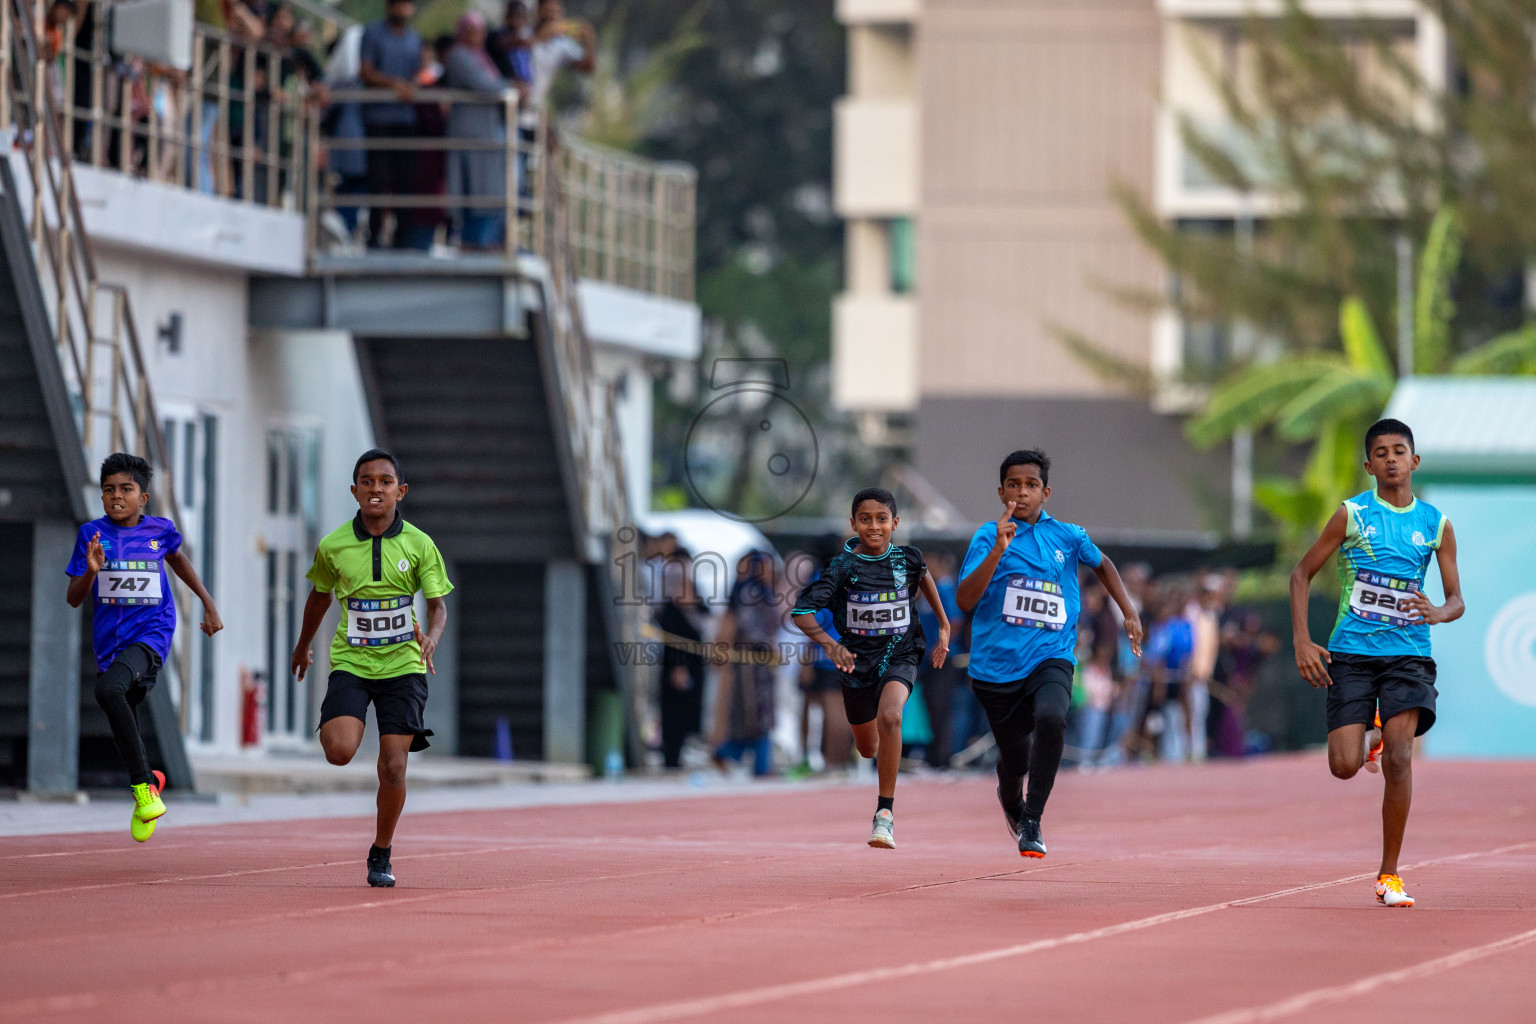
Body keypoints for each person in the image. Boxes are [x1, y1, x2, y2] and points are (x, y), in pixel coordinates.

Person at [1290, 418, 1463, 908]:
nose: (1391, 459)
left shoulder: (1436, 524)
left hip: (1409, 654)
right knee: (1344, 766)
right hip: (1352, 654)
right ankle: (1371, 735)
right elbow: (1301, 574)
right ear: (1369, 466)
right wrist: (1303, 641)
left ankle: (1390, 874)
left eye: (1399, 451)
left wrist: (1439, 611)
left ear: (1415, 461)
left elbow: (1456, 600)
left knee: (1401, 759)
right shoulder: (1351, 515)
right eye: (1381, 453)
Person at [956, 449, 1143, 858]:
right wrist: (998, 552)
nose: (1022, 493)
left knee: (1051, 717)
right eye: (1013, 485)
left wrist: (1128, 611)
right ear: (1001, 491)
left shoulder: (1069, 536)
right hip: (996, 669)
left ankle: (1033, 818)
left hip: (1051, 654)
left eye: (1031, 485)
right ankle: (1012, 799)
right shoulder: (989, 536)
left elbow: (1104, 564)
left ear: (1046, 492)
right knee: (1015, 761)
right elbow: (966, 599)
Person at [290, 449, 452, 887]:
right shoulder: (334, 545)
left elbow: (437, 608)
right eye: (366, 481)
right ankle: (337, 720)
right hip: (353, 662)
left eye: (384, 481)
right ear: (354, 491)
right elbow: (319, 598)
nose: (375, 488)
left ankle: (381, 851)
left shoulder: (420, 544)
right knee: (339, 751)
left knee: (393, 766)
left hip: (403, 664)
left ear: (400, 491)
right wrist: (303, 645)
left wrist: (432, 637)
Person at [65, 453, 223, 842]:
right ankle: (150, 780)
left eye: (126, 489)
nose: (116, 496)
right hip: (110, 643)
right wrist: (90, 571)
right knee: (124, 719)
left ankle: (141, 788)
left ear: (143, 497)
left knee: (107, 691)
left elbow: (178, 560)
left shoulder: (160, 531)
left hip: (151, 633)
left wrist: (208, 602)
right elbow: (72, 599)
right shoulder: (91, 535)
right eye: (108, 490)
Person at [792, 488, 950, 849]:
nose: (874, 526)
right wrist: (832, 645)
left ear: (895, 523)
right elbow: (800, 613)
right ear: (853, 524)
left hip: (901, 654)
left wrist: (943, 624)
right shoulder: (842, 567)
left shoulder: (908, 559)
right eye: (865, 519)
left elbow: (923, 575)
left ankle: (885, 813)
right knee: (867, 747)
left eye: (882, 519)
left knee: (891, 716)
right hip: (856, 665)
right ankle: (882, 748)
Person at [441, 12, 511, 250]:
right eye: (470, 31)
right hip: (470, 138)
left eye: (479, 31)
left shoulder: (481, 57)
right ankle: (473, 245)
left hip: (485, 138)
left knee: (489, 196)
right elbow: (484, 86)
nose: (475, 36)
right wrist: (510, 89)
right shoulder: (459, 56)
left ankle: (486, 242)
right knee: (474, 196)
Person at [358, 0, 423, 247]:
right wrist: (393, 85)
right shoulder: (373, 33)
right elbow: (366, 71)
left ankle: (402, 236)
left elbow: (416, 72)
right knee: (378, 178)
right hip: (378, 118)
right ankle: (374, 233)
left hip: (405, 119)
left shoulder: (414, 38)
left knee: (405, 179)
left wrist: (411, 85)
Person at [710, 551, 780, 777]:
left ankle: (732, 753)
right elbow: (739, 627)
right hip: (749, 666)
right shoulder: (750, 593)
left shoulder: (764, 592)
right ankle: (756, 762)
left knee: (760, 716)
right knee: (753, 715)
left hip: (762, 665)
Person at [657, 549, 709, 769]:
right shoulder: (671, 613)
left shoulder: (695, 609)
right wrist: (678, 667)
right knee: (674, 718)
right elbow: (674, 642)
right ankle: (671, 759)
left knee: (688, 717)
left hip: (694, 669)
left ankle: (682, 755)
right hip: (677, 671)